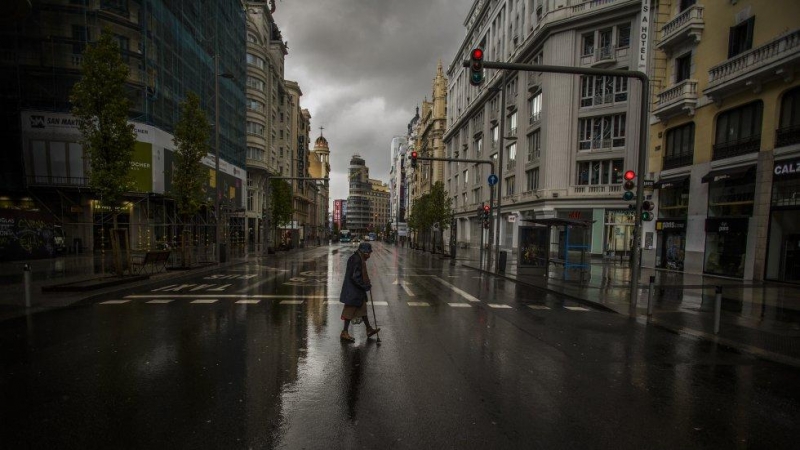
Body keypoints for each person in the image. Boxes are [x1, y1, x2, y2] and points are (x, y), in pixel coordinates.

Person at [339, 242, 380, 342]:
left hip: (356, 291)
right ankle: (344, 332)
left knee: (362, 309)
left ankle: (369, 329)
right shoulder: (357, 259)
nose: (369, 255)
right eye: (368, 253)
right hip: (353, 291)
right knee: (349, 311)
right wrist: (365, 285)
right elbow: (355, 277)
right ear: (364, 252)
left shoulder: (358, 258)